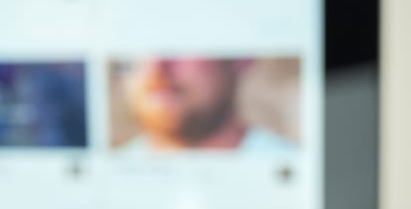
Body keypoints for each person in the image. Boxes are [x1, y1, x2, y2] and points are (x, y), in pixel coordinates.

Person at [118, 57, 295, 152]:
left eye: (184, 38)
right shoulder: (104, 187)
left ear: (242, 58)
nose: (155, 65)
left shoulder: (301, 177)